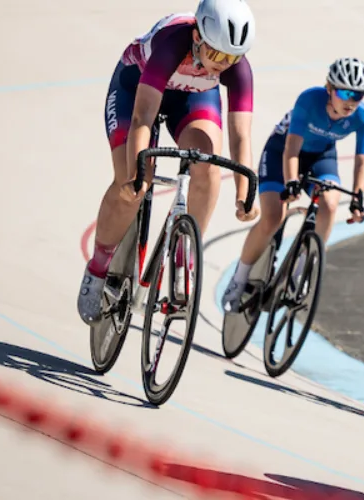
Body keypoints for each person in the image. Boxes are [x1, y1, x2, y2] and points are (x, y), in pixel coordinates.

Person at [80, 0, 258, 323]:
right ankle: (98, 268)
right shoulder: (171, 43)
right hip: (135, 90)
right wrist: (136, 174)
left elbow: (241, 136)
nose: (222, 65)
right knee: (133, 186)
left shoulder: (237, 68)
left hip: (190, 98)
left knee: (207, 169)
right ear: (197, 36)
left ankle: (184, 254)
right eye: (217, 55)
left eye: (231, 58)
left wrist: (244, 194)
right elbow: (142, 117)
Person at [220, 57, 364, 310]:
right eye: (345, 93)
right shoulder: (309, 100)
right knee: (273, 217)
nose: (351, 101)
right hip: (281, 151)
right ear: (329, 88)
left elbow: (362, 162)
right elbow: (291, 149)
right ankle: (239, 279)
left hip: (321, 158)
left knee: (329, 205)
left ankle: (301, 272)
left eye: (358, 95)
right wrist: (291, 182)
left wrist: (358, 198)